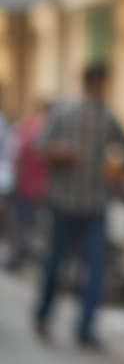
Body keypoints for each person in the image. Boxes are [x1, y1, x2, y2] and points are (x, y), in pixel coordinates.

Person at [35, 61, 124, 347]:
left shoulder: (106, 117)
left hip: (93, 205)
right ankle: (43, 314)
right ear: (92, 83)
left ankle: (85, 328)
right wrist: (65, 153)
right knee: (55, 263)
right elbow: (42, 147)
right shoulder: (65, 113)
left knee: (94, 267)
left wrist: (117, 171)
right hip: (64, 202)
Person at [5, 99, 50, 270]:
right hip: (32, 186)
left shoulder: (32, 128)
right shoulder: (39, 130)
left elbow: (18, 153)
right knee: (24, 224)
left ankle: (17, 257)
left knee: (21, 224)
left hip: (28, 185)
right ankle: (18, 257)